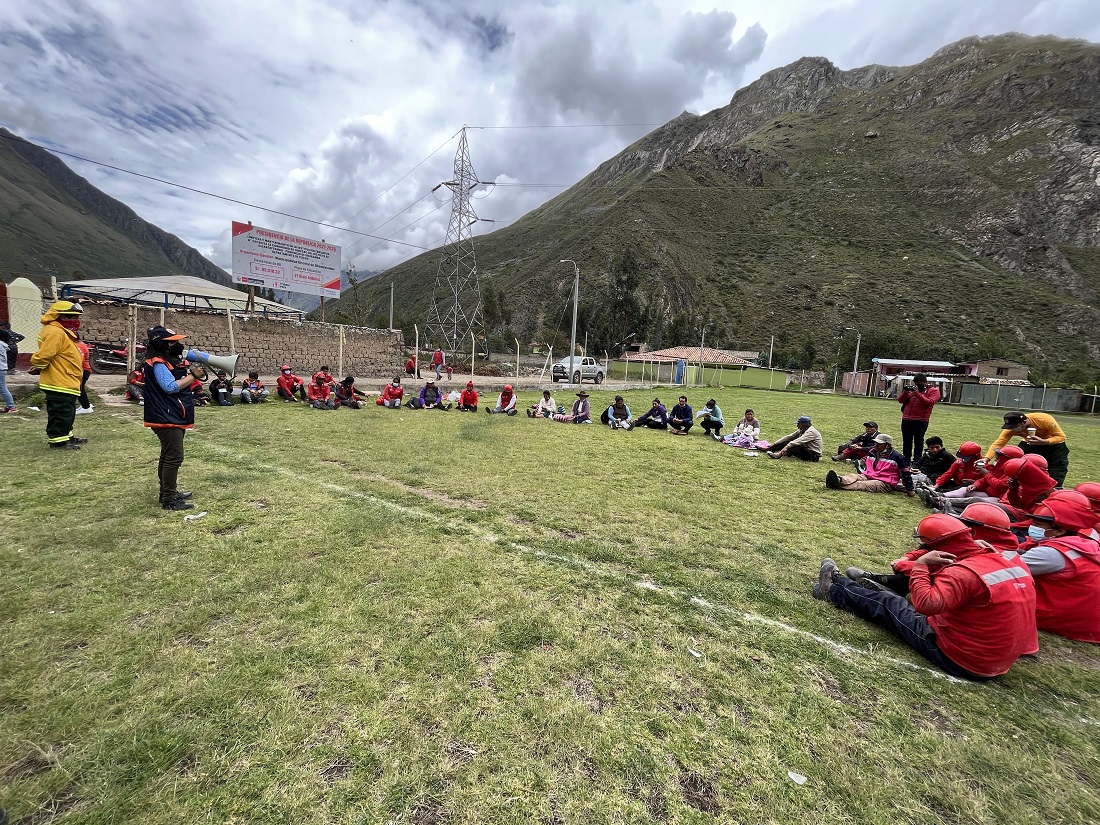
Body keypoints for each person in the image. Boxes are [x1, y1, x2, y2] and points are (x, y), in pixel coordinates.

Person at [813, 514, 1037, 680]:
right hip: (996, 659)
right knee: (900, 600)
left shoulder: (962, 573)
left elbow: (926, 604)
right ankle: (871, 585)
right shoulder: (1009, 560)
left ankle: (834, 588)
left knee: (891, 605)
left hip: (960, 658)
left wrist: (920, 566)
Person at [142, 325, 213, 511]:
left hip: (170, 413)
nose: (178, 345)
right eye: (173, 342)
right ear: (162, 344)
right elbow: (170, 387)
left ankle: (167, 492)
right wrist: (192, 376)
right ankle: (169, 499)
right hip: (165, 415)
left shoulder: (167, 361)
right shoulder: (158, 363)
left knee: (167, 455)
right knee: (174, 456)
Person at [1018, 499, 1100, 643]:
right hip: (1087, 619)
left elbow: (1004, 567)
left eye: (1038, 525)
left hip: (1064, 615)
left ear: (1060, 530)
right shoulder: (1084, 544)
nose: (1032, 527)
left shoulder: (1050, 554)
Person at [29, 301, 85, 449]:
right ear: (58, 316)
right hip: (59, 381)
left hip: (66, 380)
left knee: (67, 411)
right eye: (70, 316)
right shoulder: (55, 332)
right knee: (60, 412)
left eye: (76, 317)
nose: (75, 320)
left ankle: (67, 435)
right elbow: (43, 356)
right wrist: (38, 367)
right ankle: (58, 441)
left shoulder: (62, 332)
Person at [987, 411, 1070, 487]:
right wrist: (986, 458)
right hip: (1030, 443)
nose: (1012, 429)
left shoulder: (1044, 420)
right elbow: (1000, 442)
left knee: (1056, 469)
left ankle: (1055, 490)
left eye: (1015, 427)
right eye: (1010, 427)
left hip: (1053, 445)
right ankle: (1017, 486)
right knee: (1019, 464)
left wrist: (1044, 441)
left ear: (1023, 422)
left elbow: (1061, 437)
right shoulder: (1011, 428)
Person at [937, 445, 1025, 515]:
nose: (995, 459)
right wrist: (975, 485)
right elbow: (983, 480)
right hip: (989, 493)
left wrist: (986, 473)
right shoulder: (997, 468)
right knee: (965, 490)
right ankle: (940, 496)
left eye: (998, 458)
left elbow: (999, 485)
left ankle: (941, 502)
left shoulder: (1012, 474)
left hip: (998, 498)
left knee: (975, 501)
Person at [825, 433, 915, 495]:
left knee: (863, 485)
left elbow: (906, 474)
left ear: (887, 445)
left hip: (884, 482)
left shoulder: (898, 457)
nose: (876, 445)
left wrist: (909, 489)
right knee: (854, 476)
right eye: (875, 443)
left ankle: (837, 485)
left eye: (879, 444)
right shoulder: (872, 452)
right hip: (869, 475)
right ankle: (839, 480)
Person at [898, 374, 941, 463]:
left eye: (920, 384)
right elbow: (900, 400)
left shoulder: (933, 391)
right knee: (906, 441)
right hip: (906, 419)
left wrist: (917, 394)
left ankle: (917, 460)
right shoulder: (912, 390)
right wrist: (905, 392)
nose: (917, 385)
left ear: (925, 382)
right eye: (916, 383)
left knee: (918, 441)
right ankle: (906, 459)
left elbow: (930, 402)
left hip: (920, 420)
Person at [74, 336, 92, 415]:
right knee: (80, 389)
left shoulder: (79, 346)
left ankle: (86, 407)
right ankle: (85, 405)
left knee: (79, 389)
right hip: (84, 370)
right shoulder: (81, 344)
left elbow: (79, 359)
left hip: (82, 370)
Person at [0, 337, 15, 413]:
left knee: (2, 388)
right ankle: (11, 406)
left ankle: (11, 406)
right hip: (2, 368)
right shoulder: (3, 344)